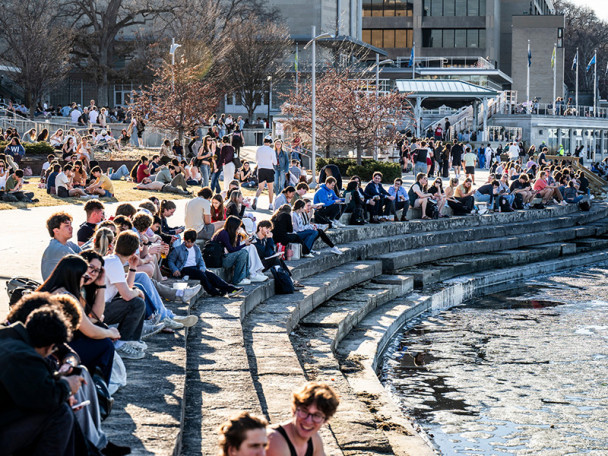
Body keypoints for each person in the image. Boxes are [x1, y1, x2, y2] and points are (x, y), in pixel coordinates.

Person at [0, 307, 83, 456]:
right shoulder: (22, 356)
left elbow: (27, 391)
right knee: (59, 412)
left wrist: (59, 390)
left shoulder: (8, 339)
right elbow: (45, 398)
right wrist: (67, 386)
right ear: (50, 346)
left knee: (59, 405)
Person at [101, 230, 147, 360]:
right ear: (134, 252)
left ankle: (132, 340)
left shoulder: (113, 260)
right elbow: (127, 295)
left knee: (136, 295)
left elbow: (128, 288)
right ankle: (121, 344)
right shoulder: (114, 264)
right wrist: (138, 293)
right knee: (137, 302)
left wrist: (133, 267)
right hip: (97, 312)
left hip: (100, 307)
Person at [266, 382, 339, 456]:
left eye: (316, 415)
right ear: (294, 410)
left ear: (325, 420)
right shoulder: (274, 440)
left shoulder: (315, 440)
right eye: (304, 411)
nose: (308, 421)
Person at [168, 229, 243, 297]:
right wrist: (175, 269)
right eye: (187, 242)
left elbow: (201, 260)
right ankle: (213, 292)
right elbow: (171, 260)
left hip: (196, 268)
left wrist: (202, 268)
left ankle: (230, 289)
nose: (189, 244)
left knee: (211, 275)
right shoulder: (178, 250)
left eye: (191, 242)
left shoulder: (196, 248)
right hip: (184, 269)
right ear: (184, 239)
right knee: (201, 275)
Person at [211, 216, 253, 286]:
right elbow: (231, 250)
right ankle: (237, 279)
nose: (239, 228)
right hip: (221, 260)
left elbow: (236, 248)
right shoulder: (224, 233)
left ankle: (243, 276)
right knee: (243, 252)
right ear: (233, 226)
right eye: (238, 226)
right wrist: (245, 244)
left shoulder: (229, 232)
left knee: (244, 252)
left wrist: (239, 236)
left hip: (225, 257)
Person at [41, 212, 82, 280]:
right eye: (66, 226)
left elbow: (86, 256)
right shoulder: (58, 248)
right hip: (56, 290)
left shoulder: (70, 245)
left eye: (70, 224)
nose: (71, 228)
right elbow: (84, 265)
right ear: (56, 231)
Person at [253, 137, 277, 210]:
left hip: (261, 169)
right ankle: (270, 204)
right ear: (270, 142)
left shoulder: (259, 149)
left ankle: (256, 198)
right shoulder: (271, 150)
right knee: (270, 188)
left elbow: (256, 160)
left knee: (260, 188)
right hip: (269, 169)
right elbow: (275, 162)